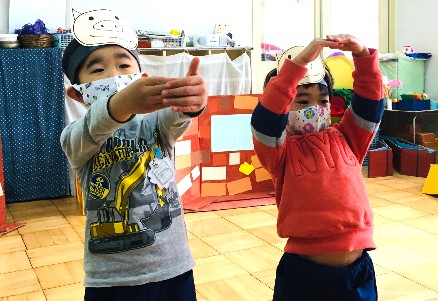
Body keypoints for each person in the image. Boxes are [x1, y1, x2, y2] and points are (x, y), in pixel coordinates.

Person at [60, 8, 207, 301]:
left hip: (174, 269)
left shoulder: (155, 124)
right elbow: (94, 125)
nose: (114, 76)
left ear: (142, 77)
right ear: (77, 94)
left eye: (124, 65)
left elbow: (177, 116)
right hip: (112, 282)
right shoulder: (77, 136)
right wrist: (122, 102)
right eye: (98, 70)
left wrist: (192, 101)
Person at [251, 34, 384, 301]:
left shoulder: (349, 138)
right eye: (301, 102)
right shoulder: (279, 153)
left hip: (357, 271)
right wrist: (297, 64)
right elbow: (266, 119)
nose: (314, 109)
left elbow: (370, 101)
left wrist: (361, 55)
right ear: (284, 107)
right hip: (304, 275)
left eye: (322, 101)